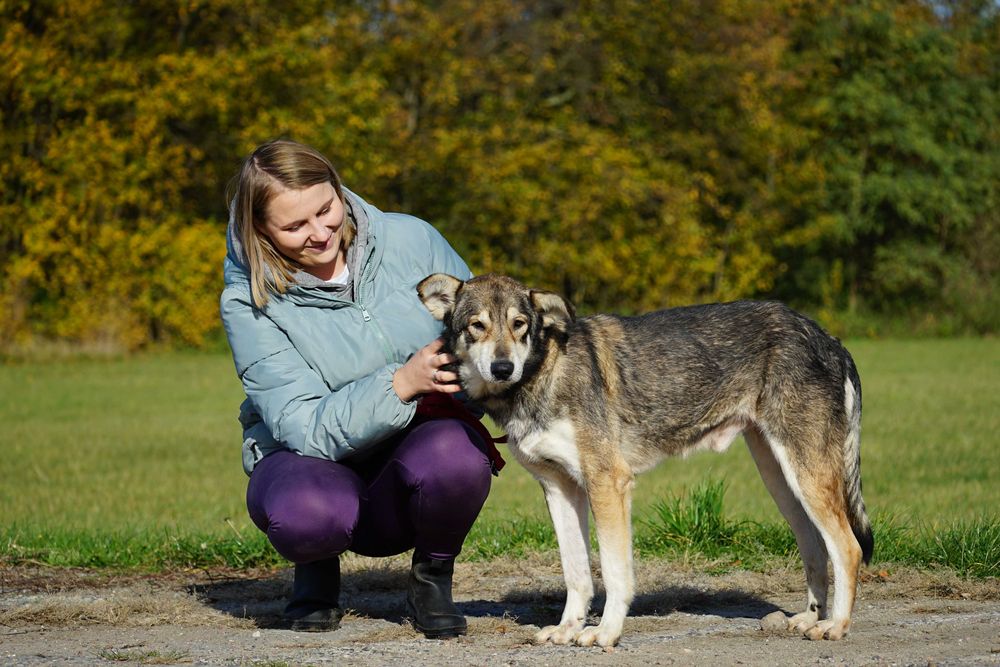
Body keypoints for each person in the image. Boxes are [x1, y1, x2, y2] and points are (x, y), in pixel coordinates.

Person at [220, 138, 503, 639]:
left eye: (325, 209)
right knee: (305, 514)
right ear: (260, 229)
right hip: (310, 460)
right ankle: (316, 569)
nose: (320, 232)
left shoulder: (413, 238)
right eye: (293, 226)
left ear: (337, 187)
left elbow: (481, 335)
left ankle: (431, 579)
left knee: (457, 458)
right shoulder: (247, 300)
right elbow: (302, 426)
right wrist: (399, 383)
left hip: (416, 449)